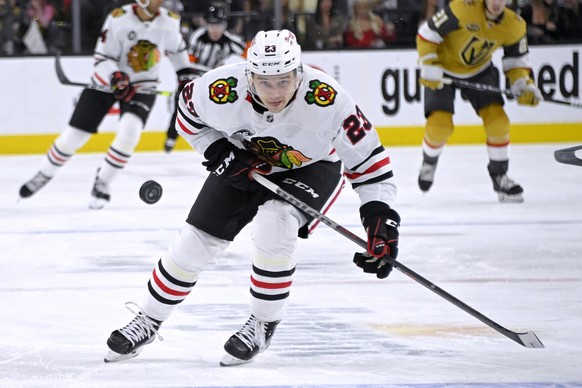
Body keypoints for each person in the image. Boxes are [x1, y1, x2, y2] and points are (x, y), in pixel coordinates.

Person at [104, 29, 401, 366]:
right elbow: (187, 116)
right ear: (249, 76)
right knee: (194, 241)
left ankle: (262, 323)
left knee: (276, 222)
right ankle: (148, 319)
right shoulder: (221, 88)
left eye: (284, 81)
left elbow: (371, 164)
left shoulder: (330, 100)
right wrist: (218, 150)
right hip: (245, 161)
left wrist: (381, 220)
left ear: (299, 74)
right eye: (265, 82)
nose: (275, 92)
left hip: (312, 168)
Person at [18, 0, 195, 209]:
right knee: (73, 137)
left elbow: (181, 60)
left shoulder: (169, 22)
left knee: (130, 133)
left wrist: (186, 79)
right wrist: (115, 78)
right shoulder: (118, 18)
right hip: (104, 84)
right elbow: (101, 59)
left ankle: (103, 182)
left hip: (142, 87)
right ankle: (44, 173)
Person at [416, 0, 542, 203]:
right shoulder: (462, 8)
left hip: (479, 72)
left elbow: (516, 62)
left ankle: (500, 176)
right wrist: (429, 63)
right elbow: (427, 33)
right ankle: (429, 161)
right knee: (439, 126)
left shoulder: (514, 25)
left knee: (499, 121)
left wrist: (522, 85)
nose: (497, 3)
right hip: (444, 70)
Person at [163, 3, 247, 152]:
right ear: (206, 24)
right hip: (191, 81)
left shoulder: (230, 41)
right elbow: (187, 63)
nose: (215, 30)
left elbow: (250, 53)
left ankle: (223, 141)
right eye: (212, 25)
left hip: (214, 84)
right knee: (180, 106)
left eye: (219, 25)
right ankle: (171, 138)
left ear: (225, 24)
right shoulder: (197, 37)